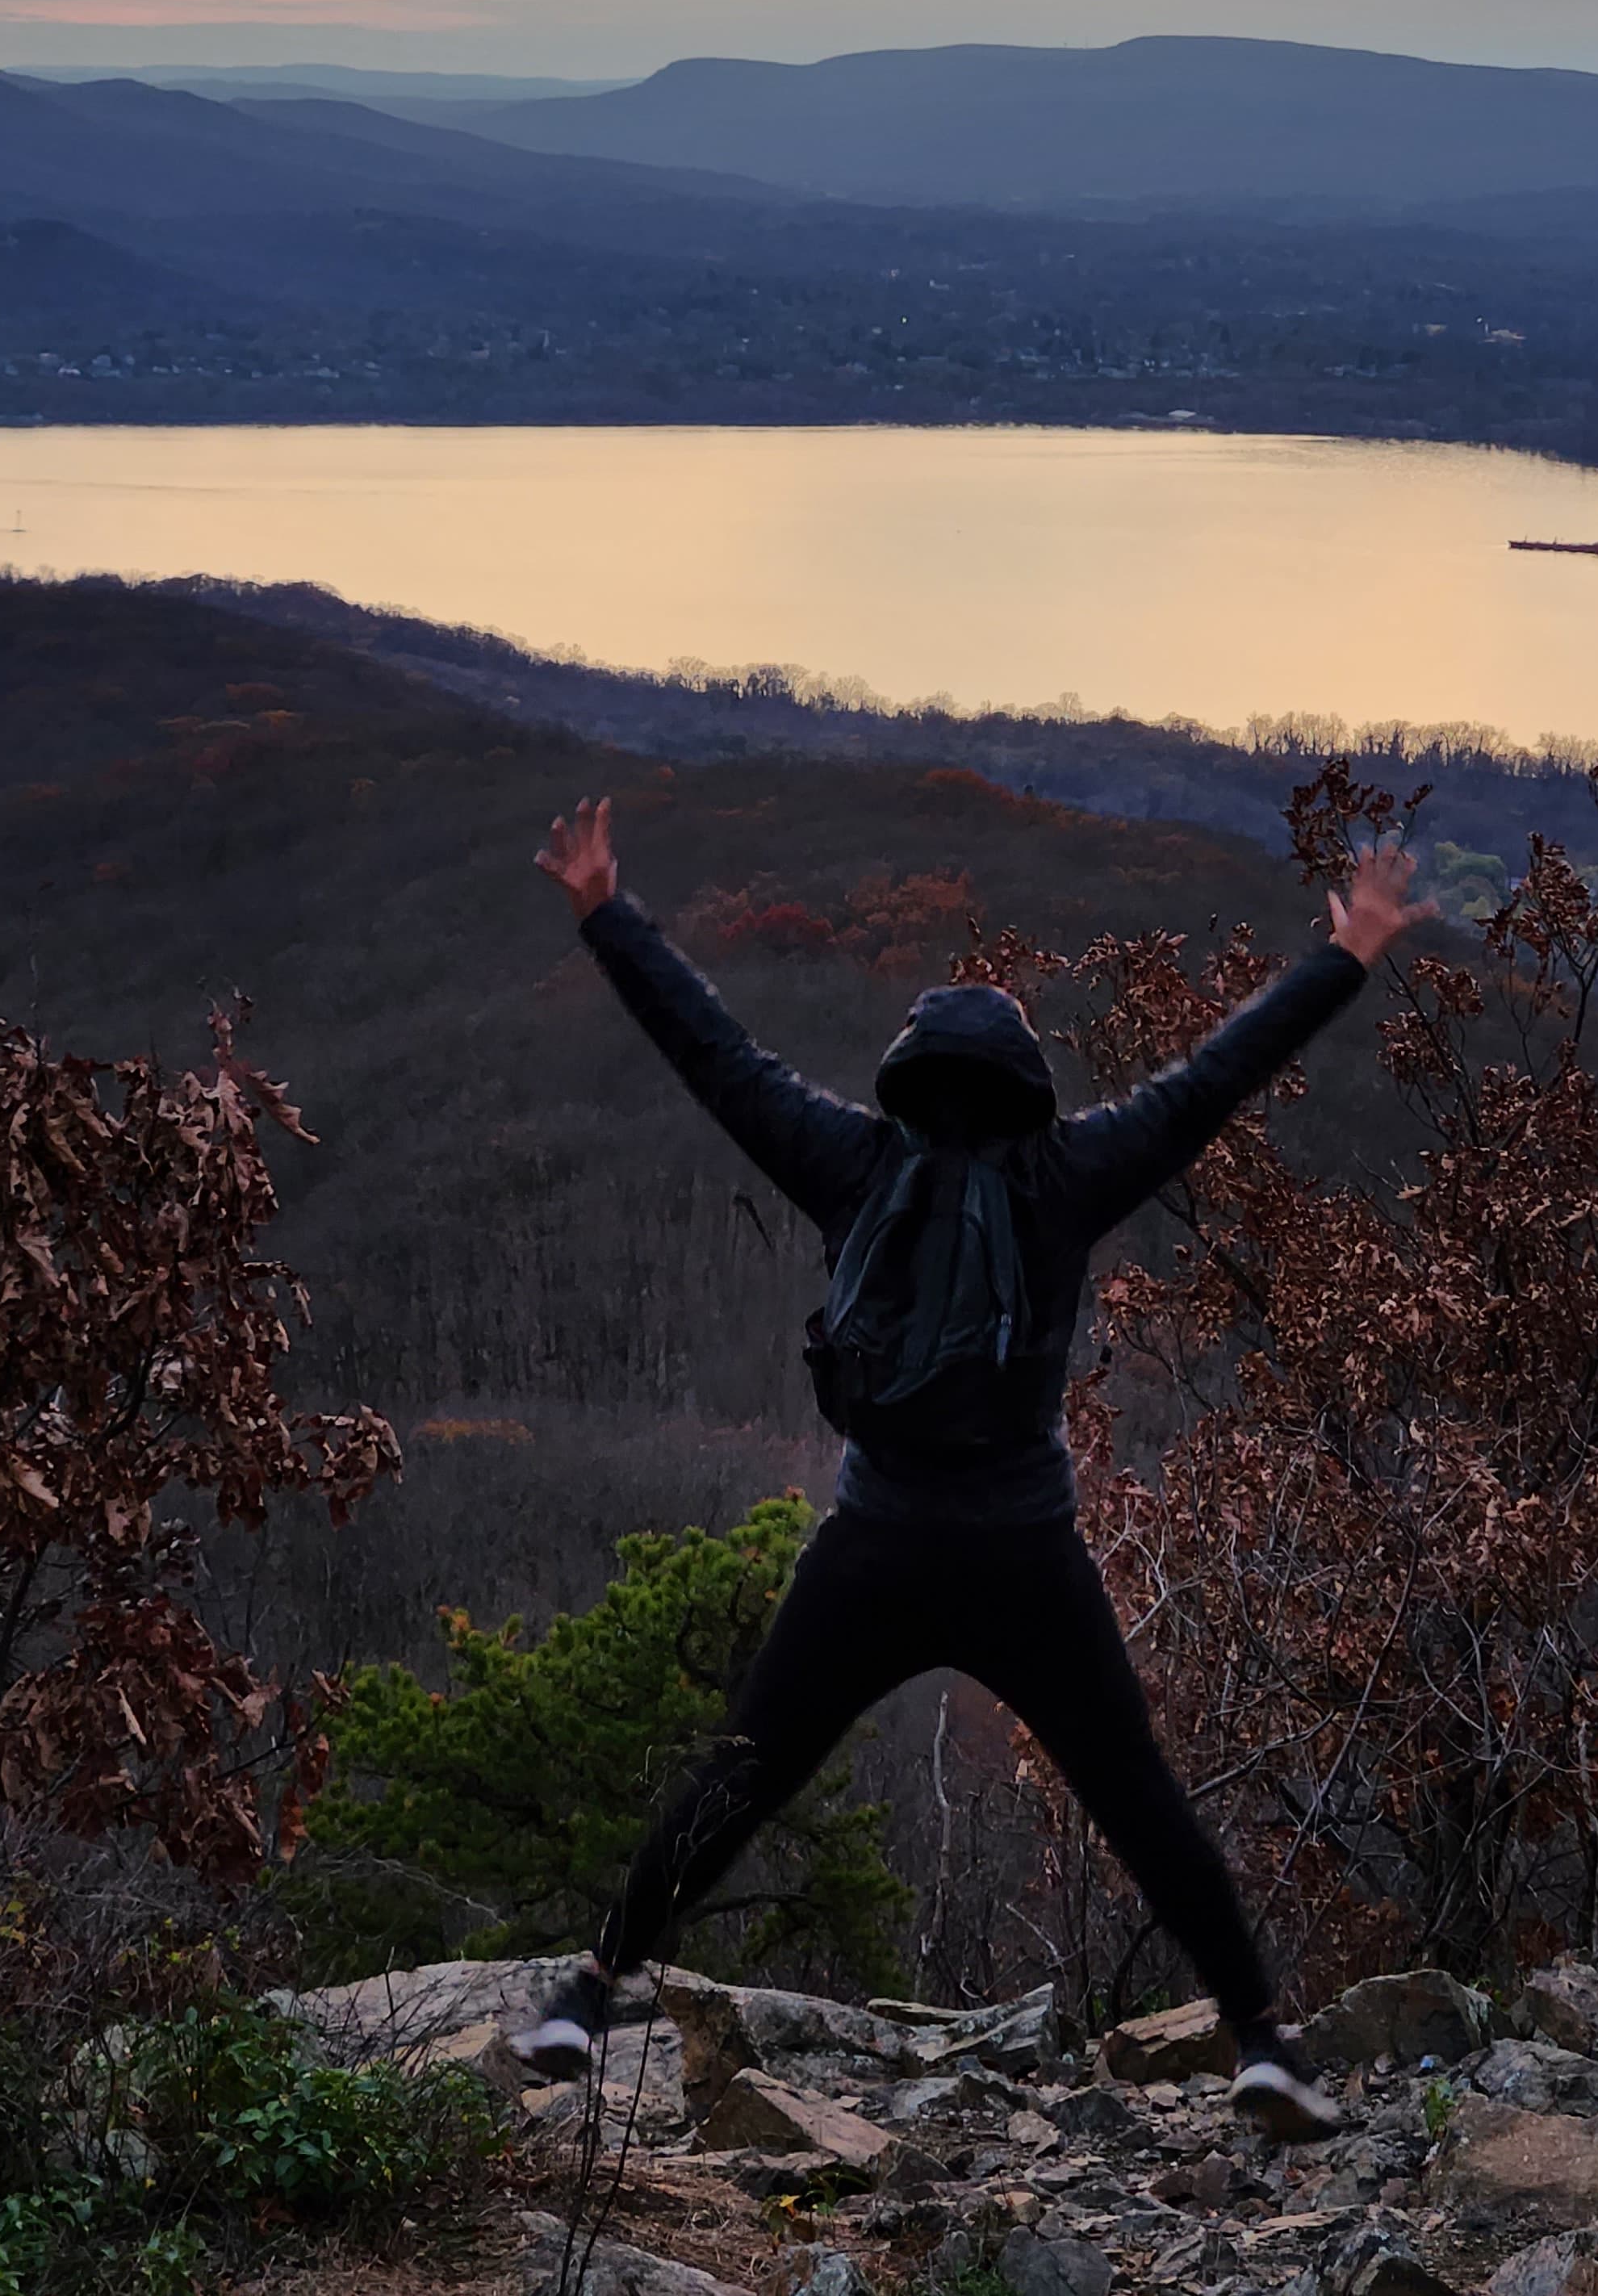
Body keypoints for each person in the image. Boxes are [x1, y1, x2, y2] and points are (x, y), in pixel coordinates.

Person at [510, 794, 1412, 2139]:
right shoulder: (1066, 1179)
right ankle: (1265, 2043)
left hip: (875, 1548)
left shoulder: (853, 1165)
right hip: (1021, 1556)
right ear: (1023, 1091)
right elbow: (1215, 1080)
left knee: (745, 1771)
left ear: (910, 1083)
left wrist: (606, 913)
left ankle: (586, 1995)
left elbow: (716, 1055)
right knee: (1138, 1796)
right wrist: (1343, 956)